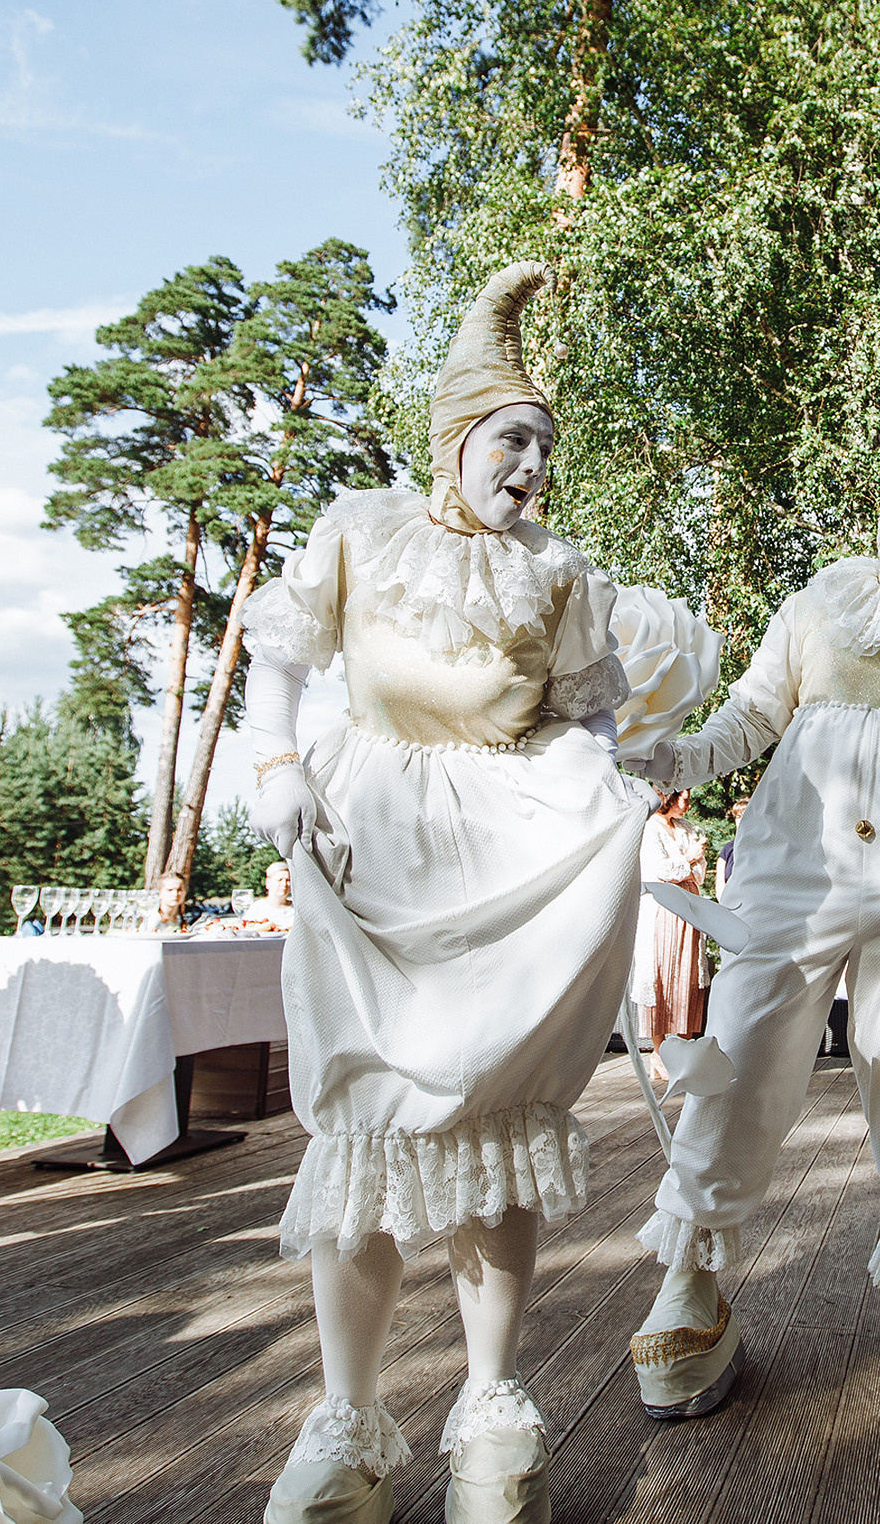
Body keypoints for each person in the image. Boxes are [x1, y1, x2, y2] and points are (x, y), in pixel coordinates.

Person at [242, 261, 671, 1524]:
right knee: (364, 1127)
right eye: (511, 439)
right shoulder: (360, 527)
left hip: (505, 851)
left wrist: (605, 787)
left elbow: (583, 716)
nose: (530, 464)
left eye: (544, 445)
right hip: (369, 844)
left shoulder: (559, 569)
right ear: (457, 441)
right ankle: (348, 1419)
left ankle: (489, 1406)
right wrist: (274, 766)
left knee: (492, 1130)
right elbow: (280, 657)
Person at [624, 394, 880, 1407]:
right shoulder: (818, 605)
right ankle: (693, 1273)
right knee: (745, 1047)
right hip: (795, 864)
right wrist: (673, 755)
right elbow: (755, 711)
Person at [634, 791, 709, 1073]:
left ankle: (685, 1047)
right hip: (662, 908)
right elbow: (658, 869)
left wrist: (689, 864)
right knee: (662, 974)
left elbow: (699, 869)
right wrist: (688, 860)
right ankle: (659, 1052)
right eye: (683, 798)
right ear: (669, 796)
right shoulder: (651, 827)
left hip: (690, 905)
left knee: (689, 975)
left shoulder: (686, 827)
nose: (687, 804)